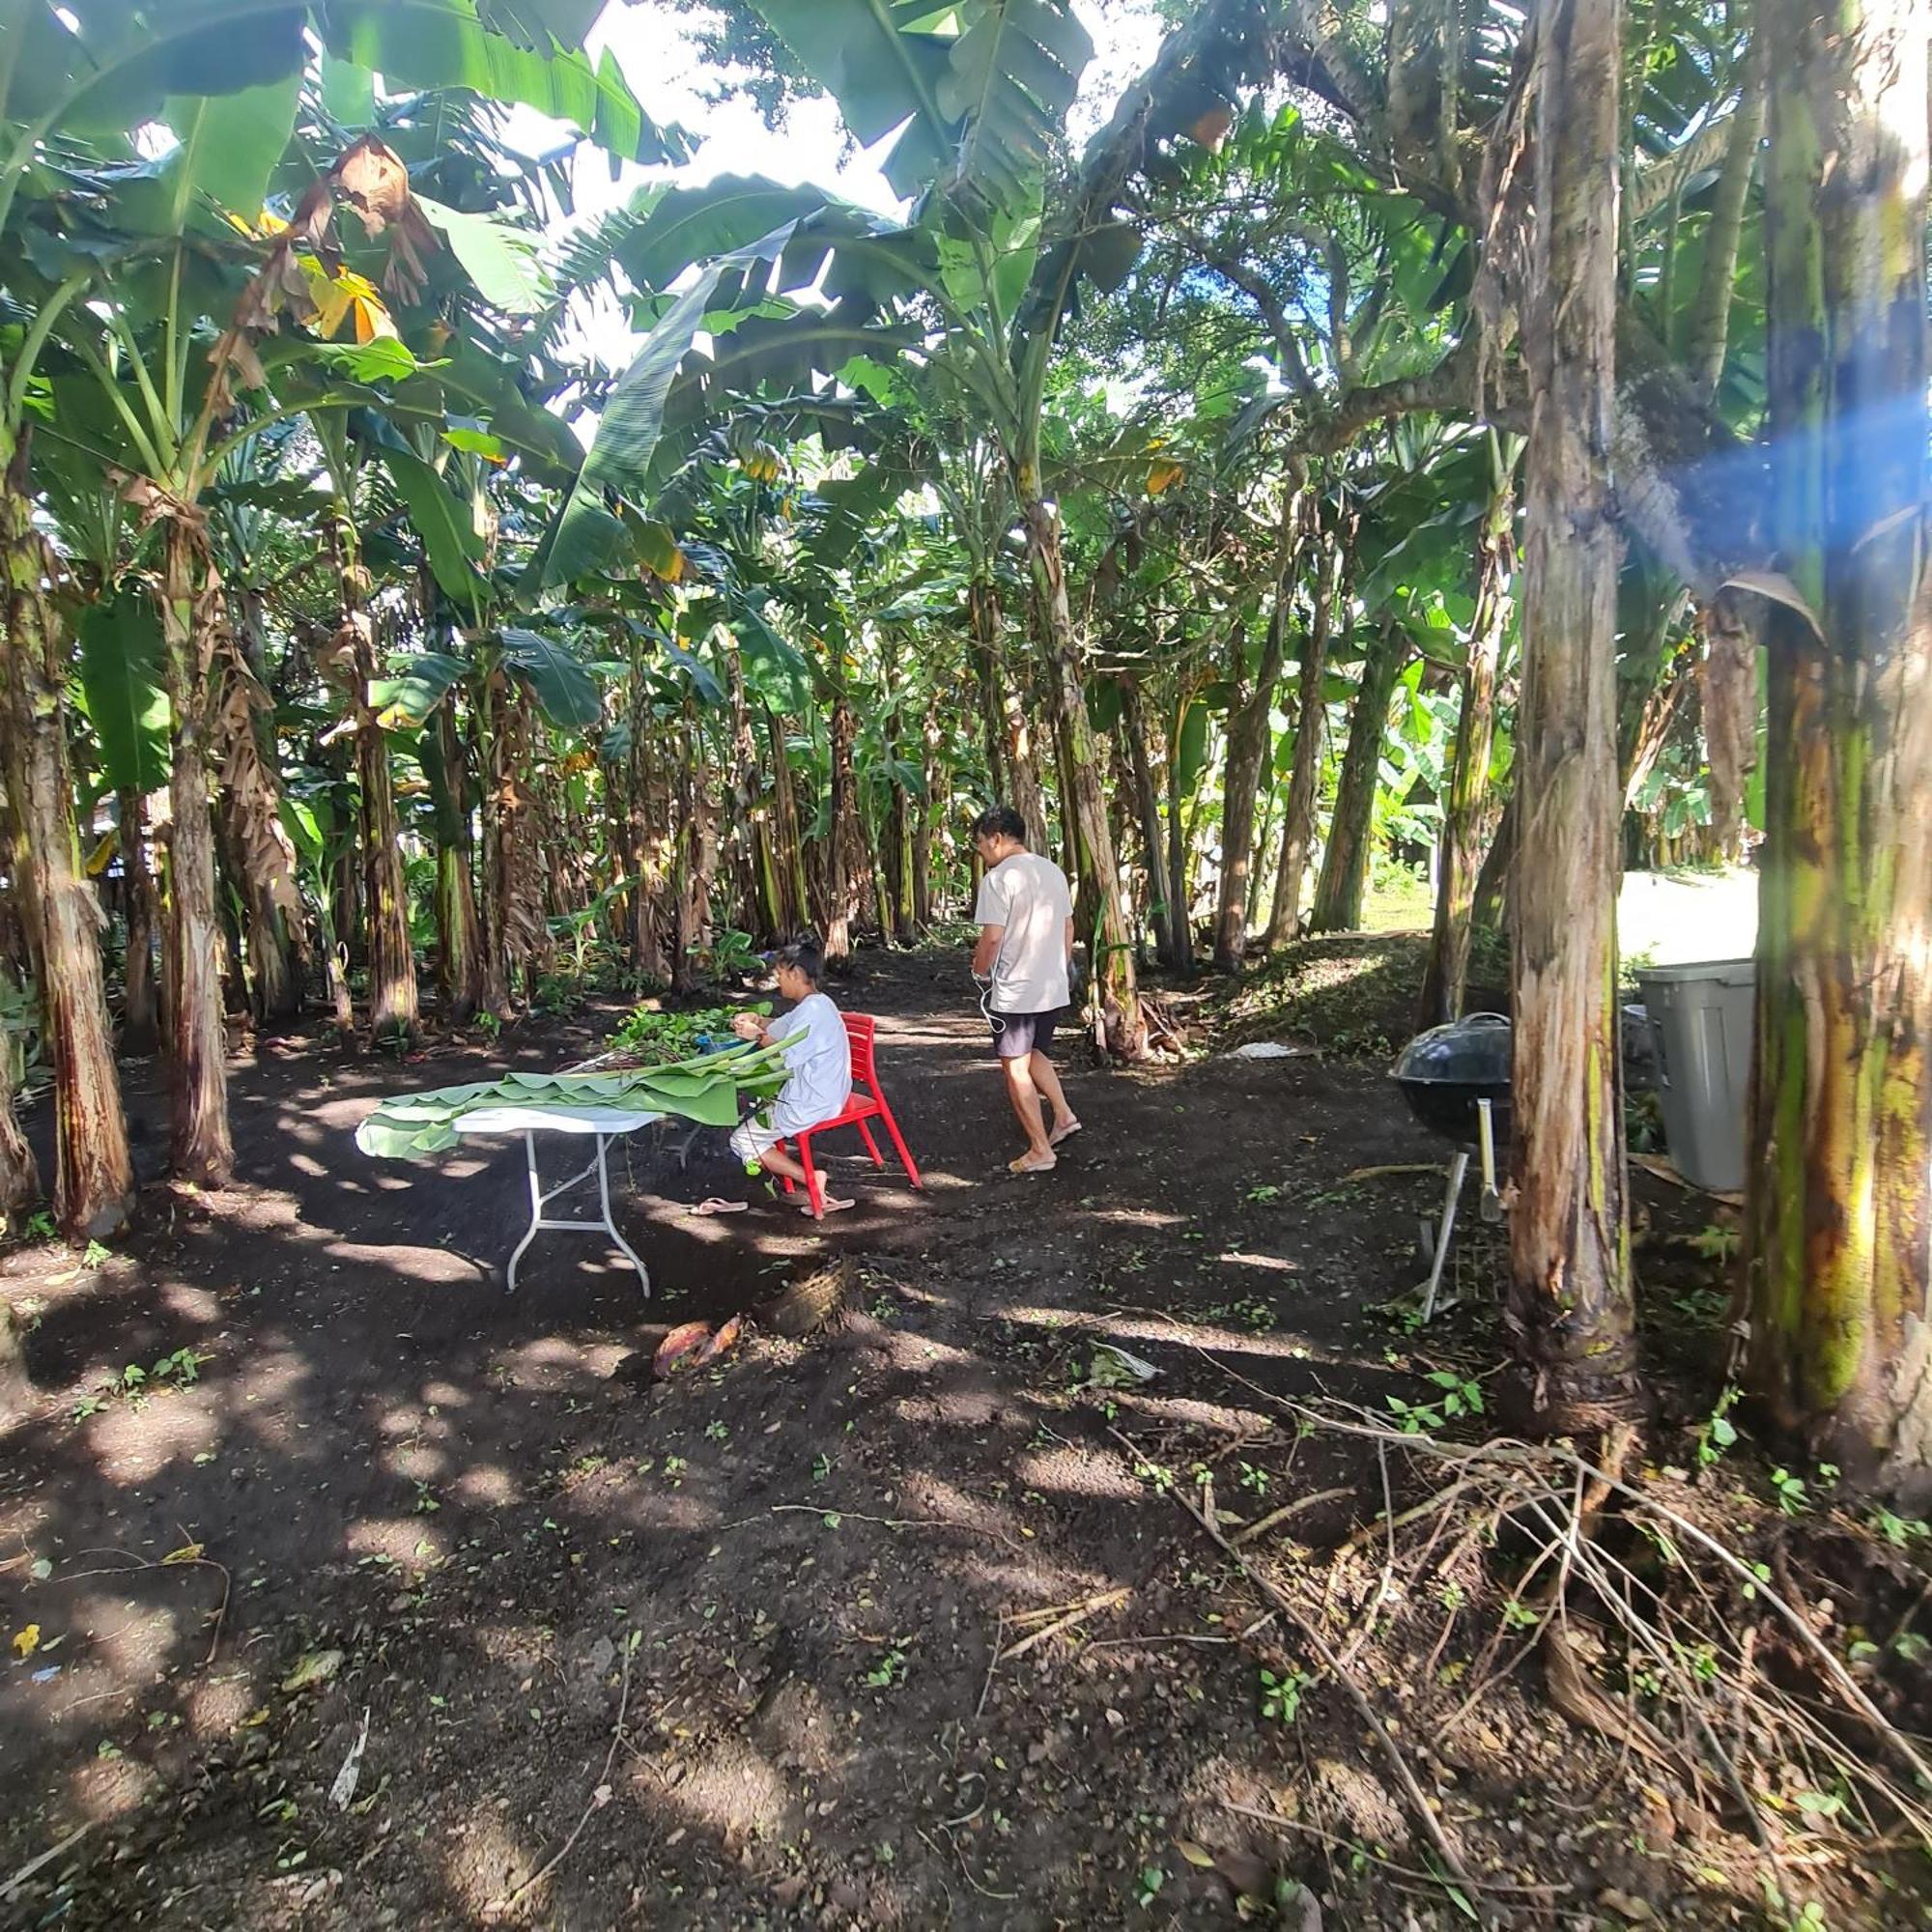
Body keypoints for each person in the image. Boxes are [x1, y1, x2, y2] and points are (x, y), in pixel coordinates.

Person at [697, 936, 855, 1217]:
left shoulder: (812, 1012)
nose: (778, 981)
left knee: (742, 1140)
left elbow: (784, 1053)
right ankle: (804, 1176)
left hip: (813, 1101)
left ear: (795, 974)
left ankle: (809, 1178)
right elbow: (782, 1028)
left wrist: (758, 1037)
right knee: (759, 1114)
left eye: (780, 975)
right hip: (828, 1092)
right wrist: (757, 1021)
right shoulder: (818, 1005)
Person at [970, 805, 1081, 1175]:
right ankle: (1063, 1116)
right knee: (1035, 1053)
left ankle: (1040, 1149)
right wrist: (1059, 968)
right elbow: (1068, 928)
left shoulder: (999, 879)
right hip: (1051, 985)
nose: (981, 852)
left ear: (997, 838)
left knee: (1015, 1067)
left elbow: (992, 938)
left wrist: (979, 971)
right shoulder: (1051, 871)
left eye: (981, 843)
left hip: (1016, 990)